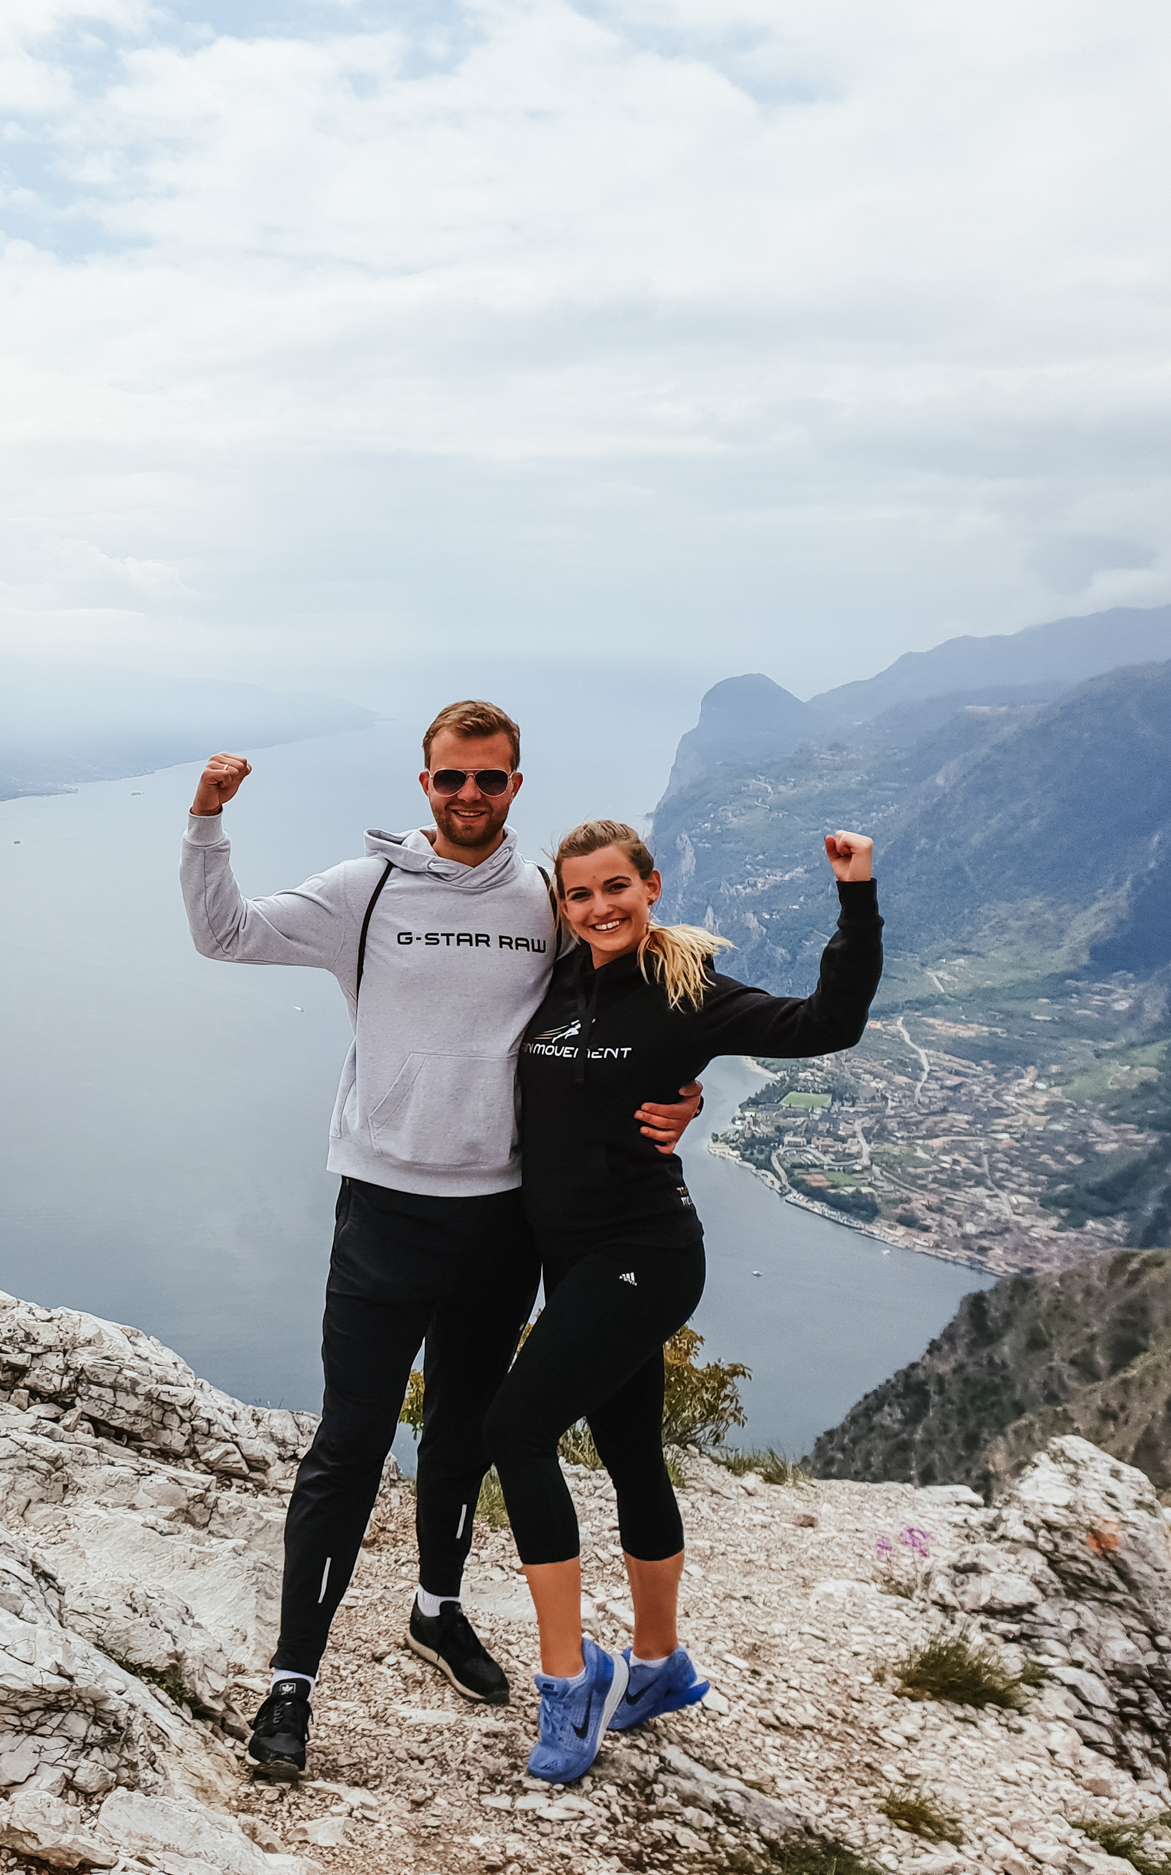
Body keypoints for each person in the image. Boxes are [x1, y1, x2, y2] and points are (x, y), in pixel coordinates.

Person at [181, 702, 701, 1780]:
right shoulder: (364, 890)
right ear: (425, 783)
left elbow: (631, 997)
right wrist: (206, 822)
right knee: (350, 1445)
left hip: (503, 1217)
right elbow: (222, 933)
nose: (470, 795)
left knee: (463, 1429)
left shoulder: (545, 899)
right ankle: (292, 1682)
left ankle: (437, 1608)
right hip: (384, 1208)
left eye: (490, 779)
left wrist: (679, 1090)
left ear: (515, 786)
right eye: (451, 778)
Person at [486, 817, 881, 1785]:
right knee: (629, 1454)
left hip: (645, 1254)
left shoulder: (686, 989)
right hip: (572, 1260)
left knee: (517, 1429)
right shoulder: (555, 978)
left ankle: (569, 1682)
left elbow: (826, 1024)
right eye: (580, 895)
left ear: (651, 885)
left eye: (615, 887)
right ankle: (659, 1664)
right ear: (562, 906)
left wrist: (856, 897)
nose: (598, 908)